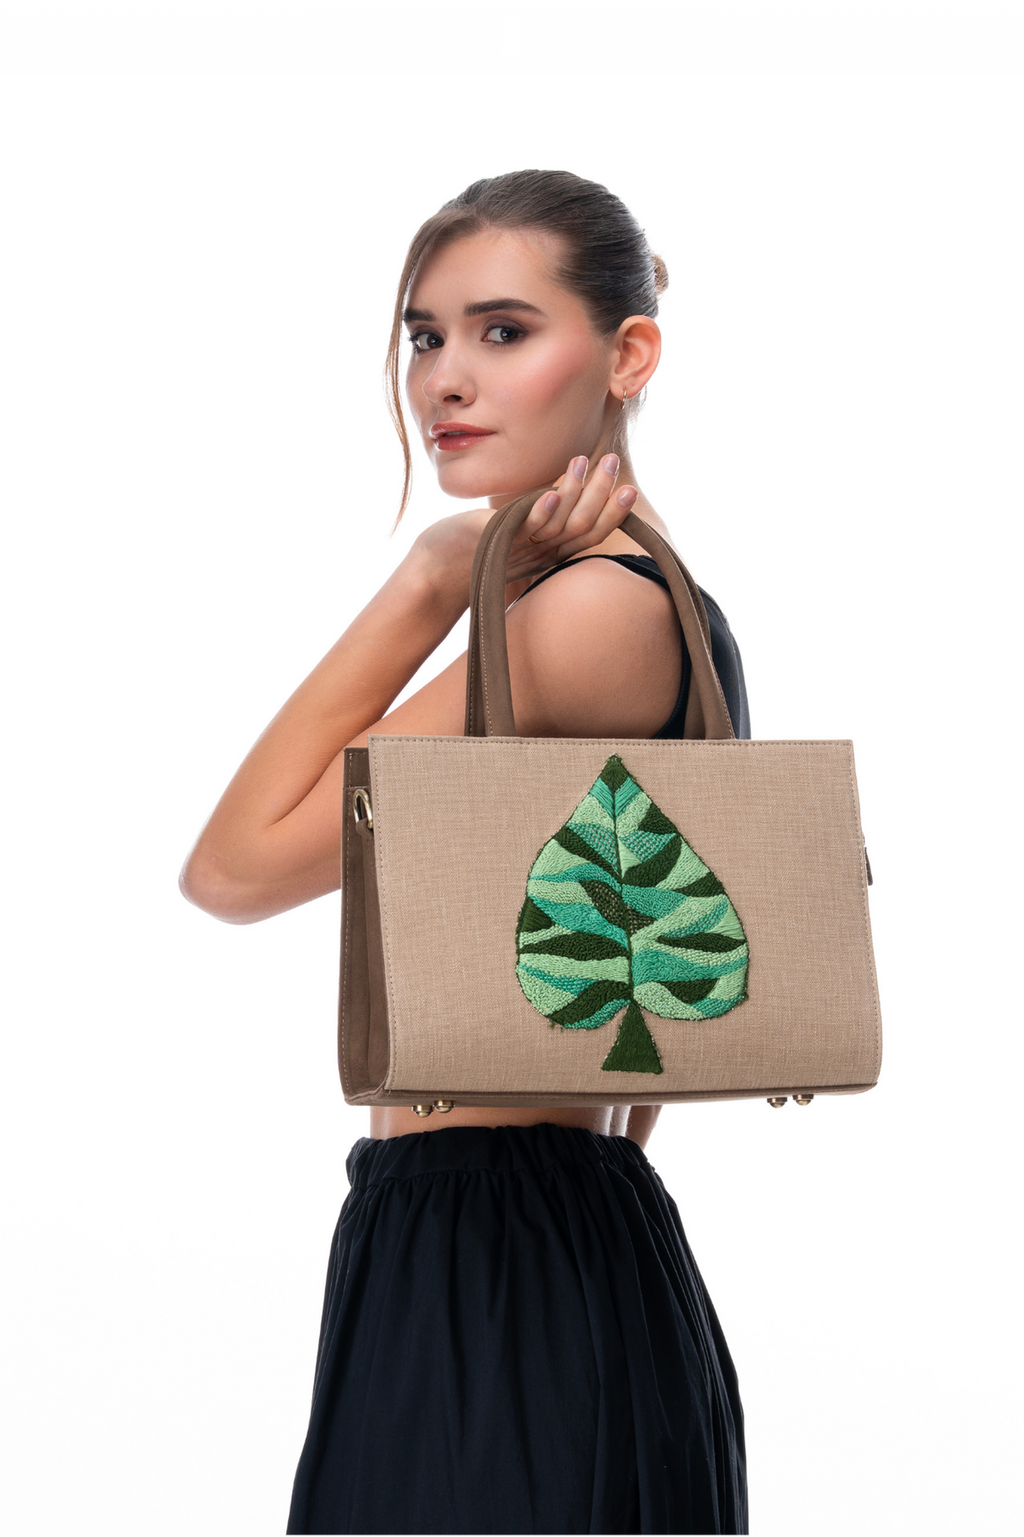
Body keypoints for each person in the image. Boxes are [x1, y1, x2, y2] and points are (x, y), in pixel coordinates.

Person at [180, 169, 750, 1536]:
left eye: (503, 331)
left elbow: (235, 865)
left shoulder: (588, 622)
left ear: (627, 354)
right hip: (526, 1250)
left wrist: (437, 579)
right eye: (426, 335)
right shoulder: (628, 603)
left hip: (500, 1278)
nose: (448, 377)